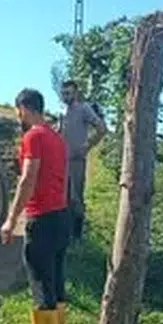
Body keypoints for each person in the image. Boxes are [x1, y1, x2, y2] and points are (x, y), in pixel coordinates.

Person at [0, 88, 71, 324]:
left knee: (40, 281)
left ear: (24, 108)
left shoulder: (33, 136)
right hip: (61, 215)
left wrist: (10, 219)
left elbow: (28, 179)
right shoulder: (57, 138)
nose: (18, 115)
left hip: (41, 217)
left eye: (18, 110)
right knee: (57, 279)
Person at [59, 80, 108, 239]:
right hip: (62, 162)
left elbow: (101, 129)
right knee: (63, 198)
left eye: (69, 93)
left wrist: (87, 146)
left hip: (77, 161)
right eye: (64, 93)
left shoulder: (84, 109)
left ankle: (78, 236)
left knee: (76, 198)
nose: (66, 96)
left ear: (76, 93)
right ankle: (67, 234)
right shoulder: (63, 112)